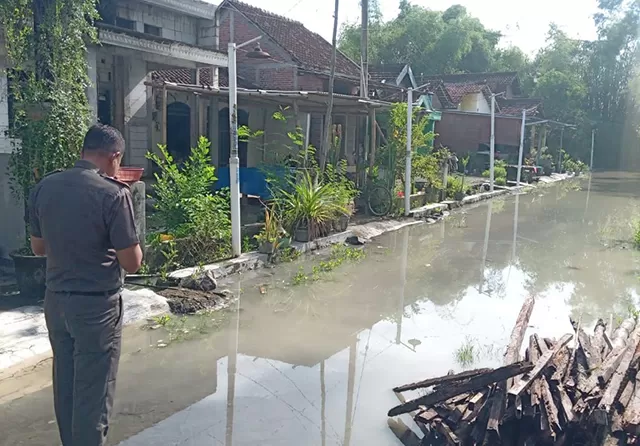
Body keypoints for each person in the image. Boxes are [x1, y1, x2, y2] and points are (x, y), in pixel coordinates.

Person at [29, 124, 143, 446]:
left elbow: (39, 248)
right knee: (93, 394)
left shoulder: (45, 187)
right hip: (96, 307)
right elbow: (131, 262)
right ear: (114, 156)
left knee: (66, 384)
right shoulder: (114, 193)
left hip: (56, 303)